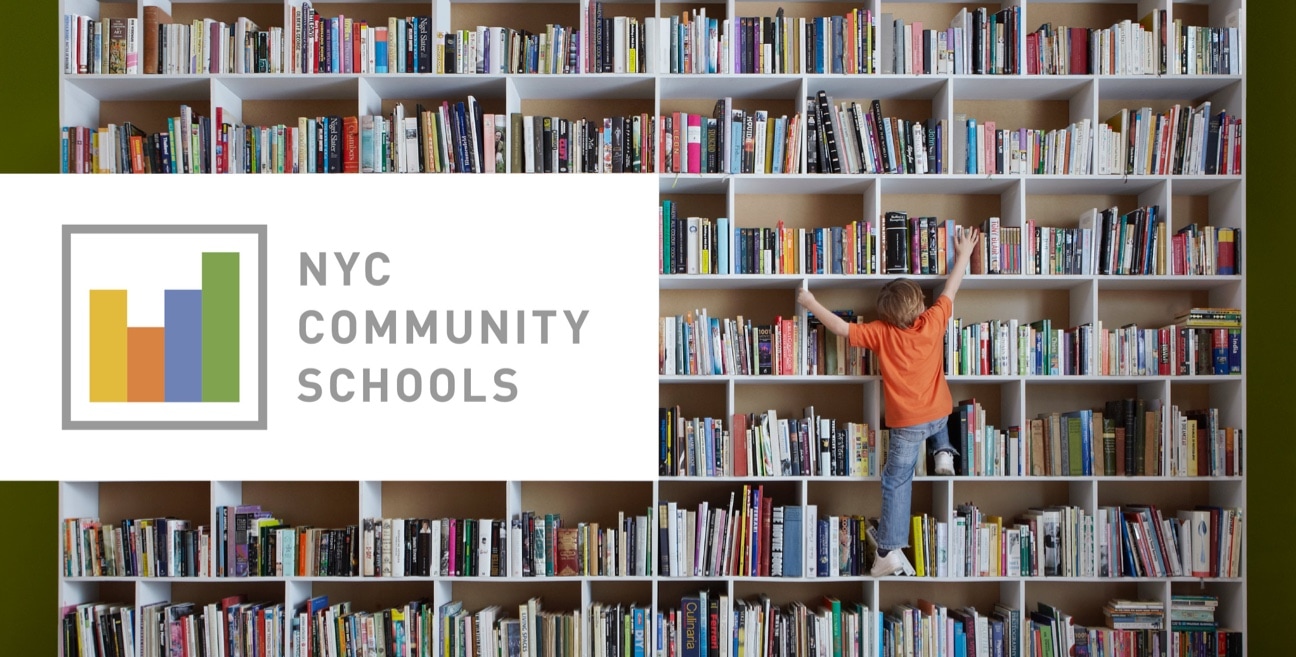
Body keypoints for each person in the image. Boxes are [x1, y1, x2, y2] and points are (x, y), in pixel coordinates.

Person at [795, 225, 980, 577]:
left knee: (896, 481)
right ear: (920, 305)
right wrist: (964, 255)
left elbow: (840, 328)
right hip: (939, 413)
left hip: (907, 425)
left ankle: (887, 551)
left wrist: (811, 302)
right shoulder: (934, 320)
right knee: (941, 413)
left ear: (887, 316)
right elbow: (953, 287)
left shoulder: (881, 332)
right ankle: (944, 452)